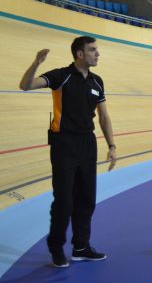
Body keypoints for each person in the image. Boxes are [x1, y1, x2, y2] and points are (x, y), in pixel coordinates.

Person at [18, 36, 117, 268]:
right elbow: (25, 85)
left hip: (87, 144)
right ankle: (56, 247)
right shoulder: (61, 76)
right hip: (64, 145)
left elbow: (103, 116)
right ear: (79, 54)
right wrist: (36, 63)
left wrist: (112, 146)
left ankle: (81, 247)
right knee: (64, 201)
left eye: (97, 50)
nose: (97, 54)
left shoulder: (97, 81)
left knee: (87, 200)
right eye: (93, 50)